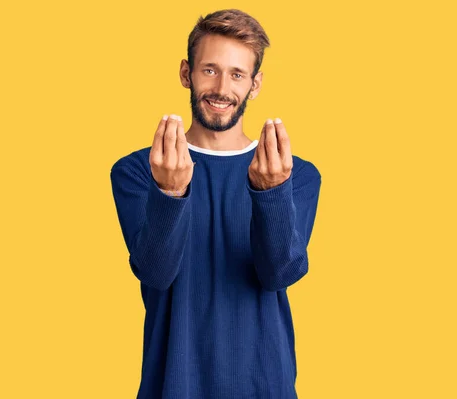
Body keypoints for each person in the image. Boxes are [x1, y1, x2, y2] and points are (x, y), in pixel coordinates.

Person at [110, 9, 322, 399]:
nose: (222, 88)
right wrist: (169, 194)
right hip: (172, 386)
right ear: (185, 73)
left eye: (237, 74)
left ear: (255, 85)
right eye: (210, 70)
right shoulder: (139, 171)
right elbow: (156, 274)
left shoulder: (296, 175)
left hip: (266, 385)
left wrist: (271, 192)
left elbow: (278, 274)